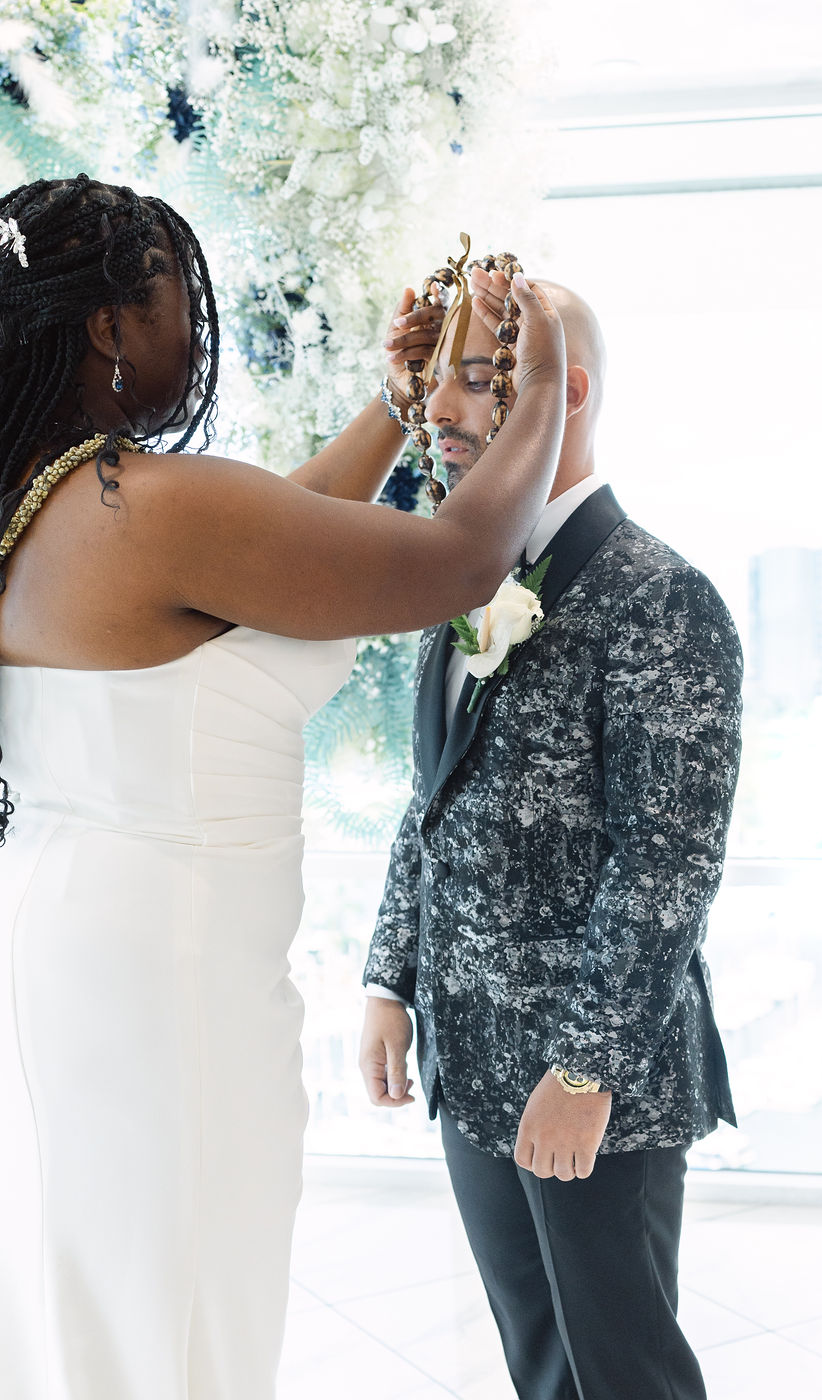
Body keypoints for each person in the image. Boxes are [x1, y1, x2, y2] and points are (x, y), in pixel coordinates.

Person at [0, 173, 566, 1400]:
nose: (191, 330)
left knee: (112, 1275)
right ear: (107, 326)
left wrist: (392, 407)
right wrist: (541, 383)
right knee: (187, 1285)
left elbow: (273, 548)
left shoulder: (51, 504)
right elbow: (463, 558)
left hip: (79, 927)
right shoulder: (139, 506)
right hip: (163, 955)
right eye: (171, 300)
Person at [359, 277, 743, 1400]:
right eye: (437, 387)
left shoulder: (663, 595)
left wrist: (583, 1067)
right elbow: (426, 801)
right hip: (465, 1063)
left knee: (626, 1372)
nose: (440, 415)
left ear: (560, 393)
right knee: (538, 1363)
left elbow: (667, 864)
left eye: (475, 382)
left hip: (591, 1088)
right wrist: (392, 977)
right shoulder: (461, 577)